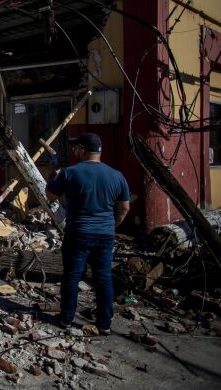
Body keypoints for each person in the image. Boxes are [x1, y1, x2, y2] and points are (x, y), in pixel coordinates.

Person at [46, 133, 130, 335]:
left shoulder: (70, 173)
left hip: (78, 234)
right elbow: (124, 208)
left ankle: (66, 318)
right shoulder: (117, 175)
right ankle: (104, 324)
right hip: (105, 236)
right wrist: (111, 226)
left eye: (76, 148)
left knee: (72, 276)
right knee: (103, 278)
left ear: (83, 150)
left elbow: (50, 195)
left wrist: (53, 175)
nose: (74, 152)